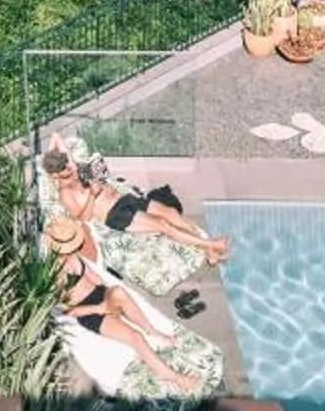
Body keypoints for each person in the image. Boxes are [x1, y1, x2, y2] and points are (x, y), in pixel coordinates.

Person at [45, 216, 192, 390]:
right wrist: (101, 307)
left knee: (119, 291)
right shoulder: (55, 274)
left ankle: (154, 332)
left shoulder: (74, 257)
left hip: (101, 298)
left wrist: (111, 296)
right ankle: (171, 376)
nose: (74, 248)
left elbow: (97, 280)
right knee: (135, 337)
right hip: (90, 312)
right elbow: (70, 313)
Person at [42, 146, 229, 262]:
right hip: (115, 214)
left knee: (171, 212)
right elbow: (82, 217)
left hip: (124, 199)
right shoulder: (65, 194)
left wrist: (60, 159)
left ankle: (208, 251)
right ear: (56, 175)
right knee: (164, 226)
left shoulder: (69, 169)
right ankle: (211, 244)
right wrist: (92, 193)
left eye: (68, 164)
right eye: (65, 170)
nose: (70, 169)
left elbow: (57, 140)